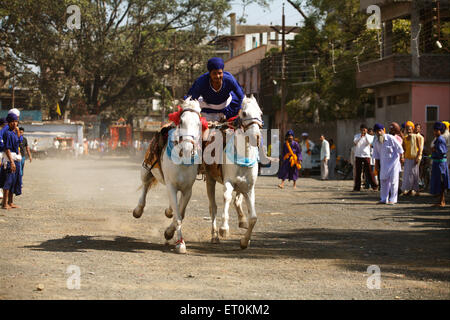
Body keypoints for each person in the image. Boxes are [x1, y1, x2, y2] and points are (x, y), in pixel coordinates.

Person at [186, 57, 244, 122]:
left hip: (226, 107)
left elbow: (241, 96)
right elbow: (191, 98)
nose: (217, 76)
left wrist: (235, 111)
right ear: (209, 73)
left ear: (223, 72)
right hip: (206, 109)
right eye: (214, 73)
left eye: (220, 73)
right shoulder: (201, 82)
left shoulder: (230, 80)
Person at [372, 123, 404, 205]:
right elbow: (376, 156)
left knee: (394, 182)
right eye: (376, 131)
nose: (378, 133)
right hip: (384, 165)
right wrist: (376, 166)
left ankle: (393, 199)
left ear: (384, 130)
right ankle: (383, 199)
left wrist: (402, 158)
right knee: (383, 181)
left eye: (380, 131)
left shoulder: (391, 138)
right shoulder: (376, 142)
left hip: (394, 164)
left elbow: (400, 149)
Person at [0, 113, 22, 209]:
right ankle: (4, 203)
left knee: (14, 181)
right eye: (12, 122)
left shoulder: (14, 133)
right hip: (10, 160)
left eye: (16, 121)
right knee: (8, 181)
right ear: (8, 123)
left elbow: (18, 144)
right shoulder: (7, 133)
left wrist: (17, 132)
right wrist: (12, 162)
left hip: (16, 159)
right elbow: (7, 149)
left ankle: (10, 202)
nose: (14, 123)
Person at [430, 122, 450, 207]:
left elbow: (442, 152)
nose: (434, 132)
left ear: (440, 131)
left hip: (440, 164)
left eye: (436, 130)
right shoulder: (437, 139)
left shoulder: (440, 140)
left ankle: (442, 201)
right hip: (437, 163)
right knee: (438, 182)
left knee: (441, 181)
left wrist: (434, 150)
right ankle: (439, 201)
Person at [353, 124, 378, 191]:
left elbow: (370, 142)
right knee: (358, 172)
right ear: (360, 130)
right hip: (358, 155)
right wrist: (361, 136)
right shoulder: (357, 136)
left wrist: (365, 135)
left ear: (366, 130)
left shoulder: (370, 136)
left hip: (366, 155)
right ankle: (357, 187)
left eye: (364, 129)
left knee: (369, 171)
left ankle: (374, 186)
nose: (363, 131)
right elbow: (355, 142)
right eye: (362, 129)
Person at [401, 121, 423, 196]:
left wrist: (418, 157)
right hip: (407, 158)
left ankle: (416, 191)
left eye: (410, 129)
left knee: (415, 175)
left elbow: (420, 148)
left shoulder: (417, 137)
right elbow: (403, 149)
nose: (409, 130)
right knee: (407, 175)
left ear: (412, 129)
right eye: (407, 129)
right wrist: (402, 157)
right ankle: (408, 190)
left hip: (414, 158)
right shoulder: (405, 138)